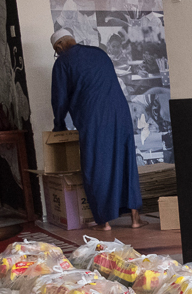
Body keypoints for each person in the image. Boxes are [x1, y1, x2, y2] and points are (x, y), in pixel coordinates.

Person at [51, 29, 144, 230]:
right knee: (125, 161)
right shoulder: (99, 52)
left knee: (96, 165)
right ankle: (135, 219)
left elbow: (60, 99)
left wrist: (59, 124)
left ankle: (105, 222)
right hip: (120, 112)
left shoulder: (62, 62)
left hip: (94, 117)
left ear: (58, 47)